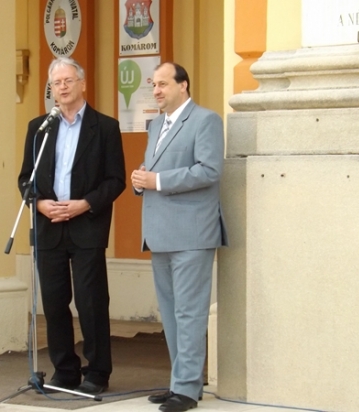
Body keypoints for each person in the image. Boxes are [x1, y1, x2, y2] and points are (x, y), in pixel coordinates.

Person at [18, 57, 126, 395]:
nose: (62, 87)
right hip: (49, 227)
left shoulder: (105, 127)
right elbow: (25, 179)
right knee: (54, 302)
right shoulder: (39, 128)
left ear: (82, 84)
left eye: (67, 81)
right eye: (56, 83)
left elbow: (116, 180)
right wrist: (39, 203)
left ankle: (97, 371)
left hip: (87, 225)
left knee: (91, 302)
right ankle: (64, 370)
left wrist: (85, 203)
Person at [131, 62, 228, 412]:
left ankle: (186, 389)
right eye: (153, 85)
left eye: (163, 84)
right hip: (159, 232)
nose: (156, 91)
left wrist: (157, 181)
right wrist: (141, 179)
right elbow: (155, 170)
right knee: (171, 313)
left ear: (183, 85)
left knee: (189, 312)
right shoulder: (156, 125)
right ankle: (181, 383)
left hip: (192, 233)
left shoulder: (205, 120)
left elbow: (210, 170)